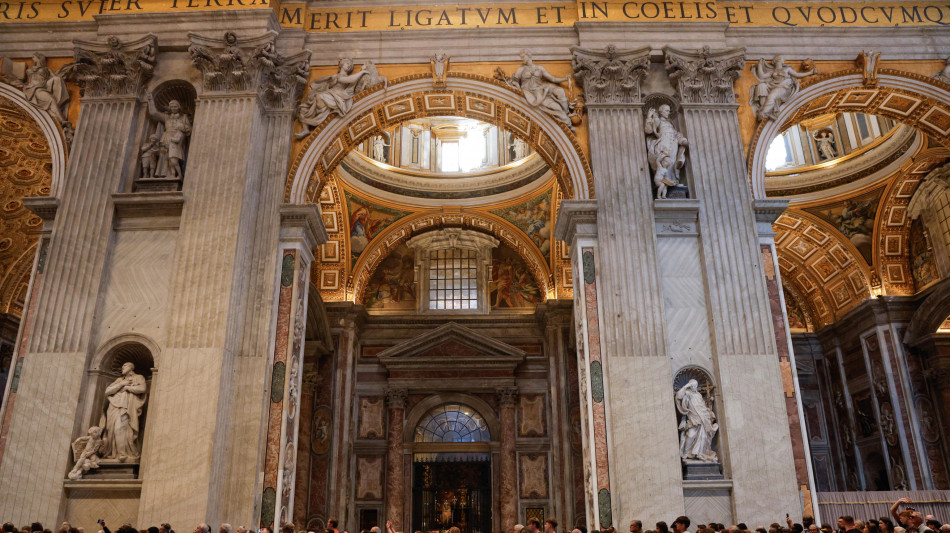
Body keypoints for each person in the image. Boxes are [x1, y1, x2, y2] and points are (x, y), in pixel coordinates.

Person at [296, 58, 369, 138]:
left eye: (350, 65)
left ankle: (316, 115)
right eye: (347, 63)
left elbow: (350, 79)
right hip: (332, 94)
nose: (349, 66)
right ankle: (306, 128)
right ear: (341, 65)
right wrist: (329, 79)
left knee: (319, 97)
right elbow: (318, 81)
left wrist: (362, 72)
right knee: (304, 107)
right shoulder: (337, 76)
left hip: (338, 96)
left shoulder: (347, 78)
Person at [507, 50, 574, 128]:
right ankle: (566, 121)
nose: (522, 59)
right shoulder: (521, 69)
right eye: (521, 58)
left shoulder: (540, 68)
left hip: (541, 89)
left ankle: (566, 112)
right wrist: (518, 88)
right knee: (555, 107)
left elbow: (553, 79)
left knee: (560, 91)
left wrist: (565, 78)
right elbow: (515, 82)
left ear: (529, 56)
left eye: (523, 57)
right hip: (531, 93)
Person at [102, 361, 147, 461]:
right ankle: (114, 453)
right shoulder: (119, 380)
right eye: (122, 366)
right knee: (112, 430)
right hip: (114, 407)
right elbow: (107, 391)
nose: (122, 368)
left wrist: (127, 387)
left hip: (128, 408)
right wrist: (122, 384)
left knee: (121, 428)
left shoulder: (139, 377)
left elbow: (142, 388)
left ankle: (125, 453)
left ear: (131, 368)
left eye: (125, 366)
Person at [645, 103, 688, 199]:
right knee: (665, 161)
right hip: (663, 144)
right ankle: (663, 184)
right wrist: (649, 117)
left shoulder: (670, 123)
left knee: (672, 163)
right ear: (661, 111)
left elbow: (676, 133)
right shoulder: (657, 120)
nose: (668, 113)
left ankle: (672, 183)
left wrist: (682, 140)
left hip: (672, 144)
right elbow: (648, 130)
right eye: (666, 111)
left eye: (669, 111)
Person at [146, 95, 191, 180]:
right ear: (169, 108)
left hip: (177, 139)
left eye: (175, 106)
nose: (173, 108)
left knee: (174, 158)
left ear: (179, 107)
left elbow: (188, 129)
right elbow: (153, 113)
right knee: (164, 156)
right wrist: (150, 100)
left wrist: (182, 130)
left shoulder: (184, 117)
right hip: (166, 138)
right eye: (172, 107)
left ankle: (176, 175)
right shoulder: (166, 117)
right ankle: (163, 174)